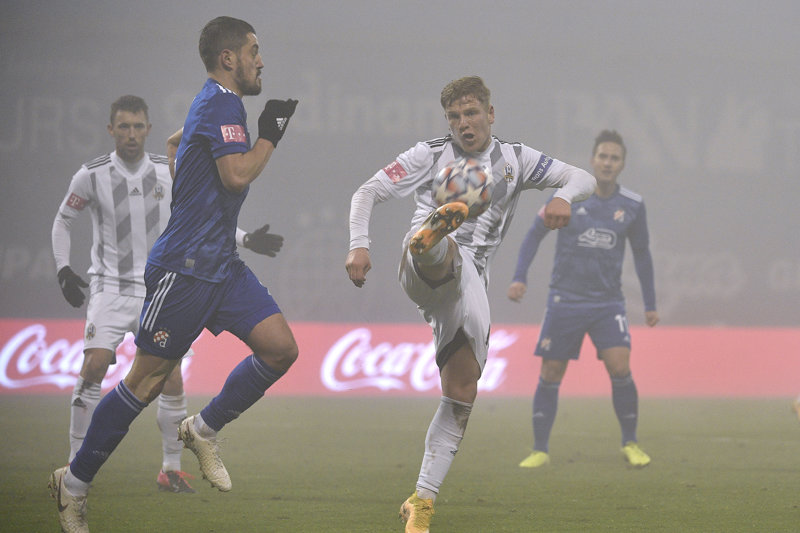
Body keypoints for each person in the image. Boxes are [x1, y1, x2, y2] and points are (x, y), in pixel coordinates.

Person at [49, 16, 299, 532]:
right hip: (183, 271)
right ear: (228, 58)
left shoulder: (217, 104)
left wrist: (182, 162)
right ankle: (72, 484)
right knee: (145, 382)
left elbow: (175, 142)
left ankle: (202, 428)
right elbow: (236, 175)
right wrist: (271, 134)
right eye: (253, 50)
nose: (260, 60)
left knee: (280, 349)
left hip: (221, 267)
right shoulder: (221, 103)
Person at [345, 76, 596, 532]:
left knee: (462, 391)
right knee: (441, 252)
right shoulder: (427, 155)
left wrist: (562, 196)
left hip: (471, 285)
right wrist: (358, 244)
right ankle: (433, 238)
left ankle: (421, 503)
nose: (463, 123)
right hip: (422, 265)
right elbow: (367, 192)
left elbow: (584, 177)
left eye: (471, 113)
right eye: (455, 116)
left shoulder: (516, 159)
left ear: (490, 114)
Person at [508, 129, 658, 470]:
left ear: (622, 164)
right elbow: (534, 235)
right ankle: (540, 449)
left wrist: (650, 304)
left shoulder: (632, 205)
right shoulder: (568, 197)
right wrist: (519, 277)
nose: (607, 162)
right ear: (592, 160)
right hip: (566, 300)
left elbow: (642, 254)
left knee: (620, 366)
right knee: (551, 371)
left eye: (614, 158)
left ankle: (631, 443)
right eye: (602, 156)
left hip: (608, 303)